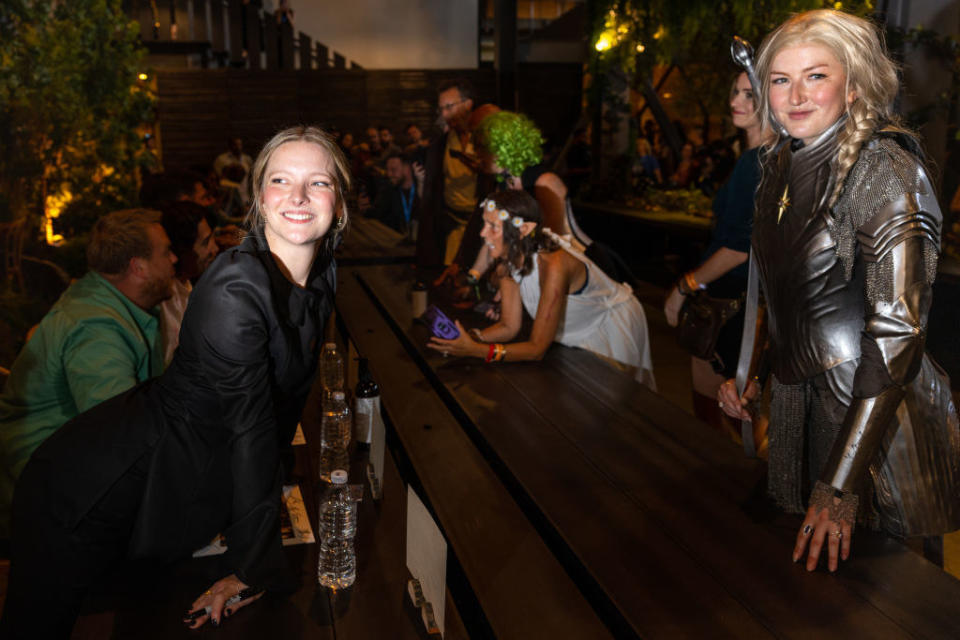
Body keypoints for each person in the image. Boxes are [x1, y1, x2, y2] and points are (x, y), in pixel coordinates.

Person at [0, 126, 348, 636]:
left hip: (171, 479)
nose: (298, 196)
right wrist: (254, 568)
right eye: (280, 179)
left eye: (317, 182)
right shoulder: (236, 286)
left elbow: (283, 401)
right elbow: (249, 429)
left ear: (338, 204)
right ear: (258, 197)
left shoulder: (320, 271)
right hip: (97, 484)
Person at [717, 10, 960, 573]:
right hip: (800, 399)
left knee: (888, 594)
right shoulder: (779, 163)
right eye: (780, 79)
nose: (796, 96)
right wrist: (753, 370)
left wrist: (840, 486)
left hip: (875, 419)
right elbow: (788, 293)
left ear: (854, 85)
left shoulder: (886, 169)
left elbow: (898, 335)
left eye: (815, 76)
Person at [0, 210, 176, 540]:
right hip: (43, 497)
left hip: (61, 476)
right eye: (166, 252)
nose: (175, 259)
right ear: (138, 267)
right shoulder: (97, 329)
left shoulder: (109, 304)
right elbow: (120, 438)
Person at [427, 190, 654, 389]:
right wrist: (471, 338)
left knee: (616, 410)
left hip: (611, 325)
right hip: (577, 330)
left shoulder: (554, 266)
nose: (482, 233)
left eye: (493, 226)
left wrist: (476, 350)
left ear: (523, 229)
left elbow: (536, 349)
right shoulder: (507, 263)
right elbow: (509, 326)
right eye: (484, 224)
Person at [663, 72, 768, 441]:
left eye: (749, 94)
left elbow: (740, 248)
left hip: (731, 310)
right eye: (735, 91)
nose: (735, 101)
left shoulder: (756, 161)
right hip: (739, 308)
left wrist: (684, 287)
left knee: (721, 425)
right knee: (724, 421)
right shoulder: (771, 158)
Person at [416, 79, 483, 268]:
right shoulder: (441, 144)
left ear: (468, 104)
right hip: (451, 225)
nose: (445, 114)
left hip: (483, 227)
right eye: (441, 109)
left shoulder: (486, 141)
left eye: (449, 107)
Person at [158, 200, 221, 364]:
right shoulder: (166, 299)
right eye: (206, 242)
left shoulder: (186, 285)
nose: (215, 249)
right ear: (182, 250)